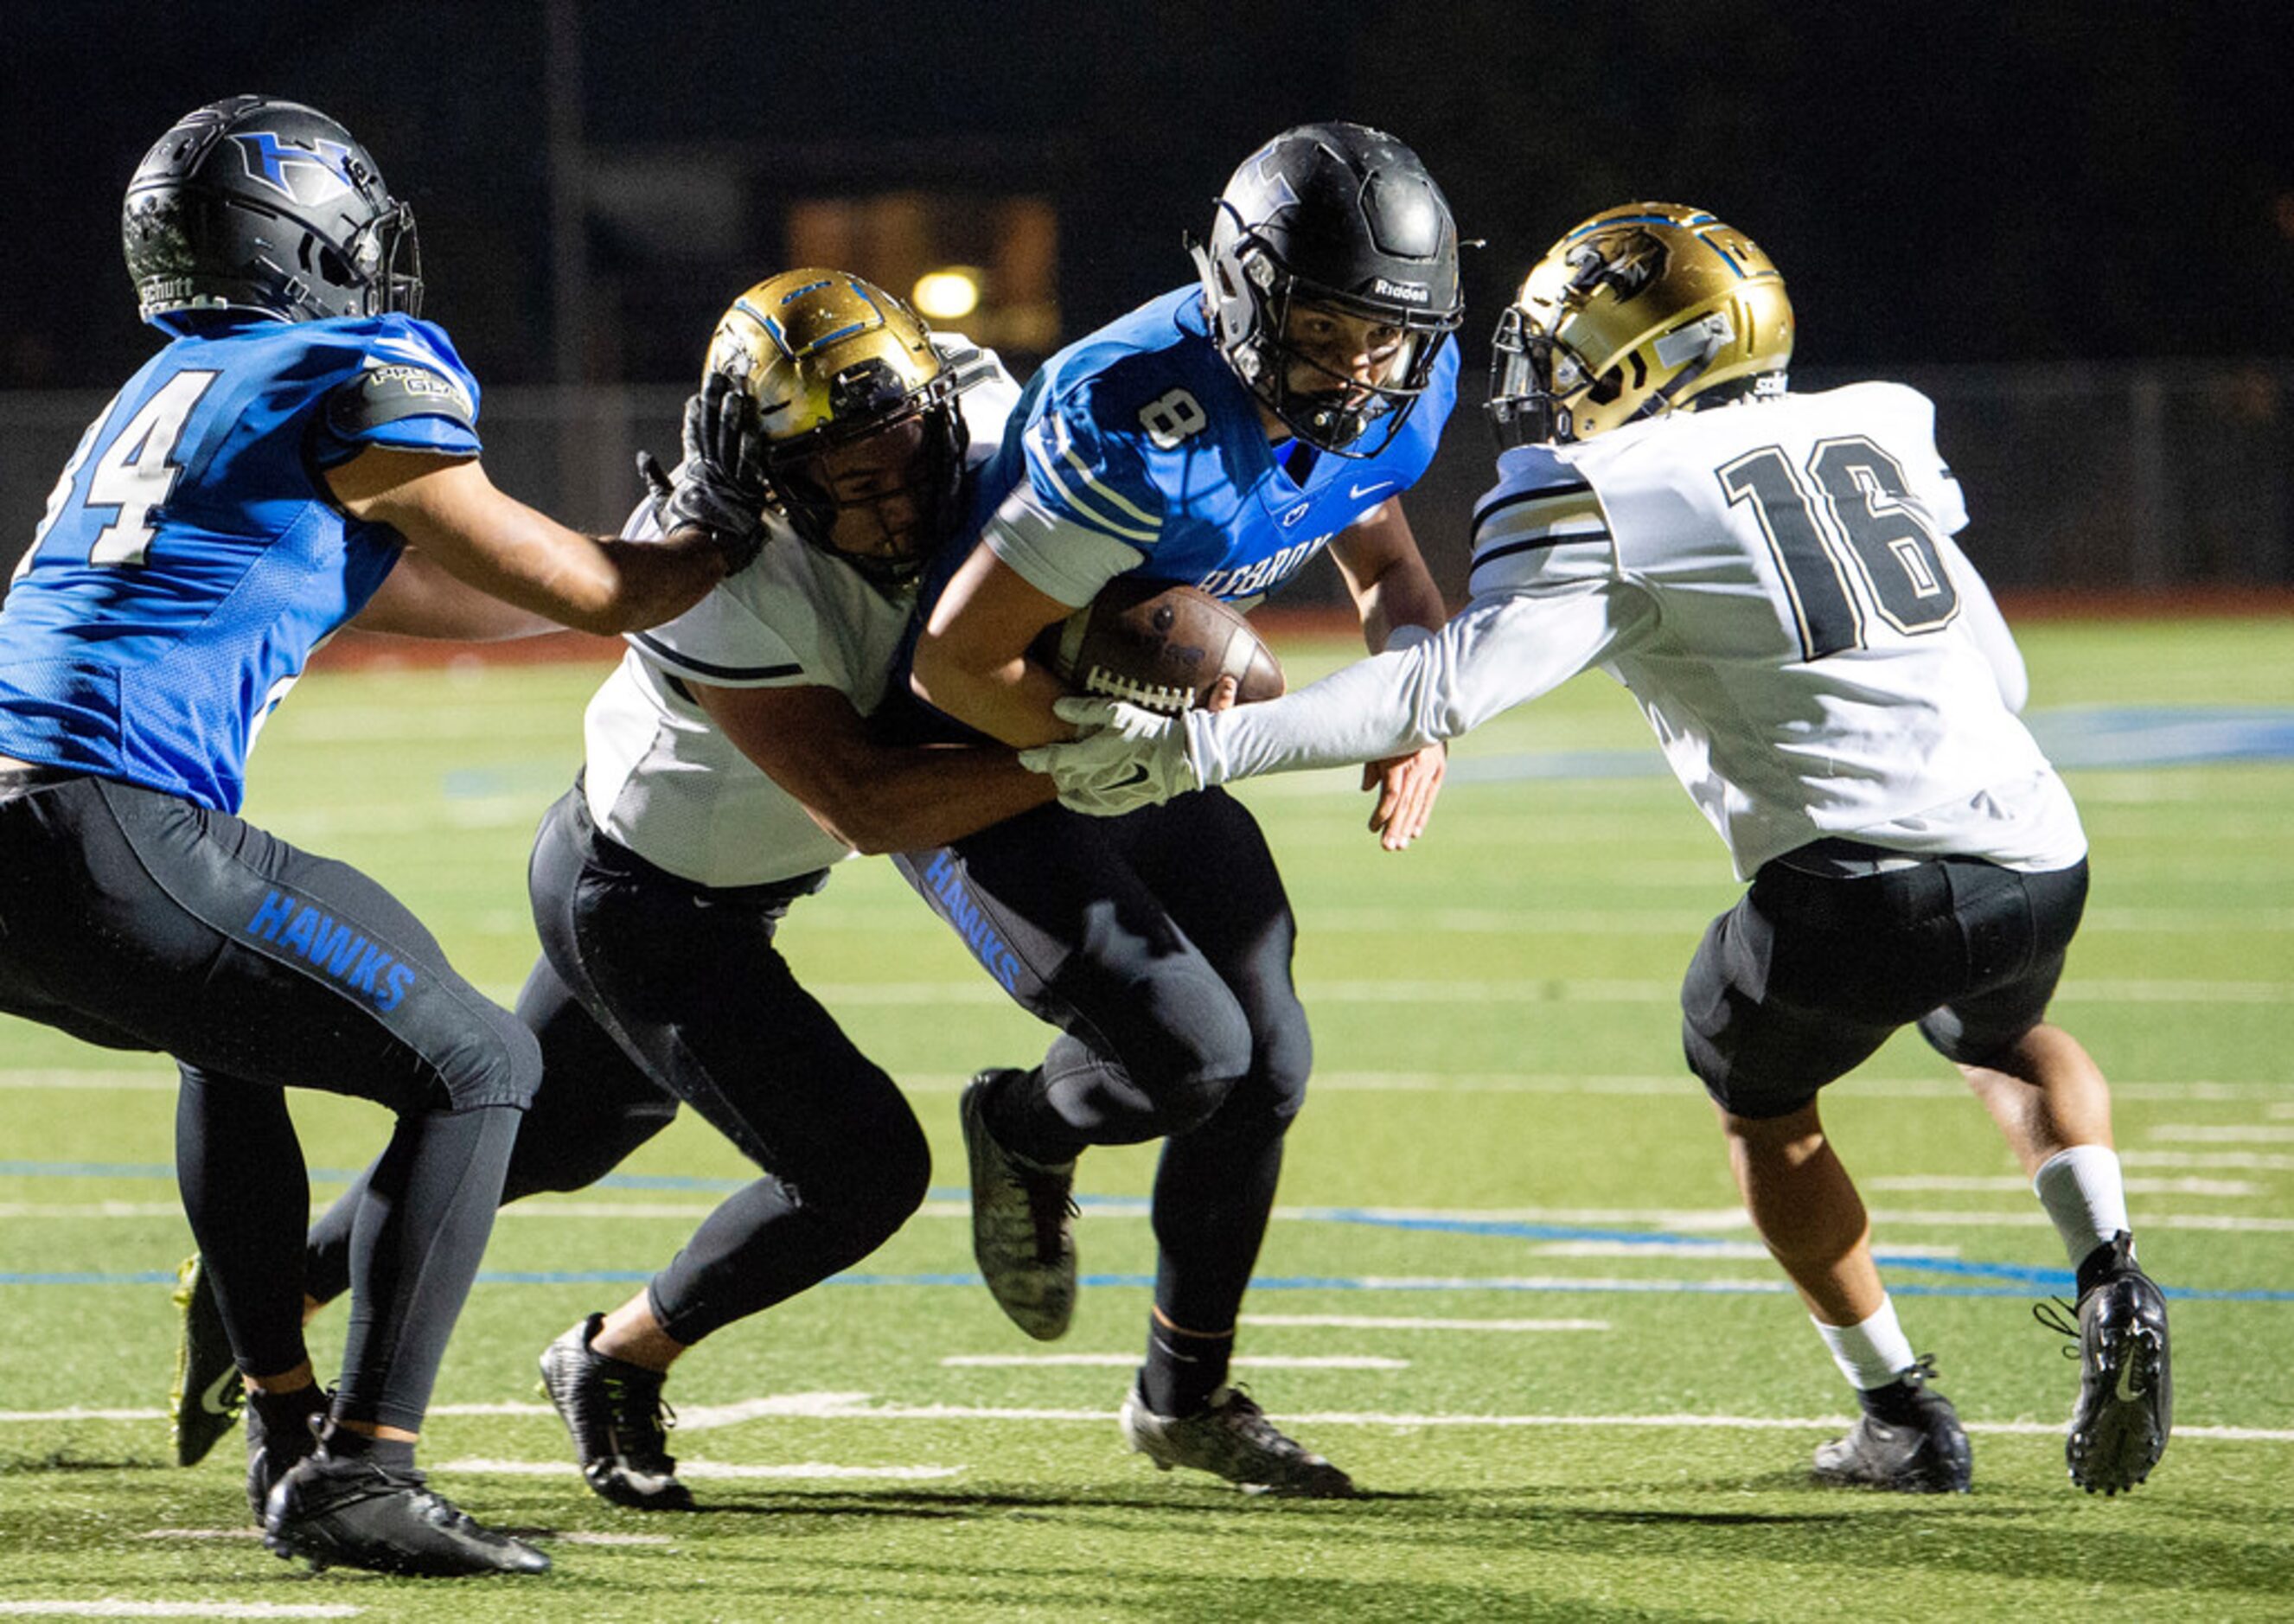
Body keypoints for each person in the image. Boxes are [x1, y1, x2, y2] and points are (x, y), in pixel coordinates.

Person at [1024, 201, 2173, 1498]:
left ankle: (1899, 1412)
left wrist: (1191, 751)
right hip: (2033, 843)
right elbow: (2001, 672)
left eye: (1572, 349)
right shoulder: (1876, 422)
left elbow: (1434, 691)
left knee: (1762, 1103)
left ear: (1643, 358)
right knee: (2004, 1039)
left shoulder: (1603, 485)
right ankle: (2107, 1264)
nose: (1549, 379)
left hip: (1856, 887)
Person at [0, 95, 768, 1578]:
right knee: (483, 1064)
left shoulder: (177, 380)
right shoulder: (362, 362)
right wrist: (724, 528)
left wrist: (623, 585)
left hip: (31, 813)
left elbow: (421, 588)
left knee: (229, 1028)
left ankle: (287, 1424)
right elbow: (593, 588)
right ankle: (364, 1468)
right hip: (104, 819)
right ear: (312, 239)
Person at [171, 268, 1079, 1510]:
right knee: (862, 1167)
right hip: (637, 899)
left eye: (900, 453)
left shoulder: (977, 409)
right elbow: (858, 803)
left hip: (705, 888)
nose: (888, 497)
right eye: (840, 476)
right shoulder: (714, 566)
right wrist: (1088, 750)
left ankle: (257, 1290)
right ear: (762, 476)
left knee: (549, 1137)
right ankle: (610, 1359)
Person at [895, 121, 1464, 1496]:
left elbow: (1379, 548)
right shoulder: (1133, 423)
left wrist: (1415, 700)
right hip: (990, 746)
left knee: (1266, 1064)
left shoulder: (1400, 384)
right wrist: (1091, 744)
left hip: (1154, 737)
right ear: (1245, 292)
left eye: (1387, 334)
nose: (1360, 367)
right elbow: (951, 660)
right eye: (1326, 327)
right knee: (1189, 1055)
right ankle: (1024, 1125)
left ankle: (1184, 1398)